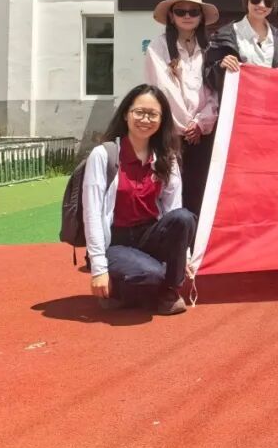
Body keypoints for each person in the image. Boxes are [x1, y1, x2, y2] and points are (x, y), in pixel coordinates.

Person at [82, 84, 196, 316]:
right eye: (139, 112)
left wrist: (183, 258)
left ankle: (169, 292)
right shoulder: (103, 155)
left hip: (149, 234)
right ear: (126, 114)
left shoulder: (167, 158)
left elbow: (173, 209)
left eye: (153, 114)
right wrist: (98, 269)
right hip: (116, 242)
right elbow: (92, 213)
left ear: (162, 120)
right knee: (151, 273)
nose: (145, 119)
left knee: (184, 218)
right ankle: (121, 287)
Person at [144, 0, 219, 216]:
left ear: (201, 16)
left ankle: (198, 236)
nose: (187, 16)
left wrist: (201, 122)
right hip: (172, 134)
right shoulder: (157, 48)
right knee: (172, 189)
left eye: (193, 11)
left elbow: (215, 90)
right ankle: (175, 233)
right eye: (181, 11)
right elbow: (164, 89)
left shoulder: (209, 48)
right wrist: (188, 125)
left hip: (204, 134)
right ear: (171, 15)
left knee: (203, 188)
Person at [204, 0, 278, 94]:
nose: (261, 5)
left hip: (272, 100)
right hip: (239, 101)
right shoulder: (224, 36)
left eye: (268, 2)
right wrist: (220, 66)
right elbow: (207, 76)